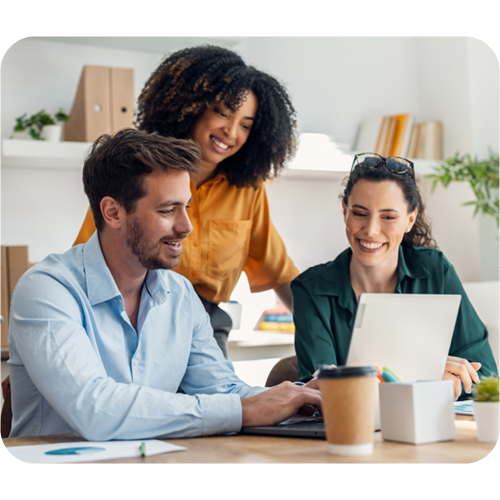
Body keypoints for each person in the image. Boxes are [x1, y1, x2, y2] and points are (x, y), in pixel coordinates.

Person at [7, 129, 321, 440]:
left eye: (186, 206)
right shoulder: (46, 290)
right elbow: (95, 408)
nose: (186, 226)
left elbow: (223, 389)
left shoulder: (180, 294)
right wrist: (242, 411)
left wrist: (297, 398)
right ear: (113, 212)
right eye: (168, 210)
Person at [73, 45, 300, 357]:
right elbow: (85, 263)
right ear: (191, 107)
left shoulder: (248, 190)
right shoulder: (136, 171)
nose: (231, 131)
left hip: (205, 325)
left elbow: (279, 272)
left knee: (223, 403)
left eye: (245, 124)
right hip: (131, 317)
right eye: (222, 112)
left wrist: (331, 334)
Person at [291, 153, 498, 400]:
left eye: (388, 217)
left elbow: (485, 377)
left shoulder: (435, 271)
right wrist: (426, 378)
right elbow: (320, 393)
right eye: (359, 213)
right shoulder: (310, 290)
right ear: (345, 211)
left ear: (410, 220)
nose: (371, 230)